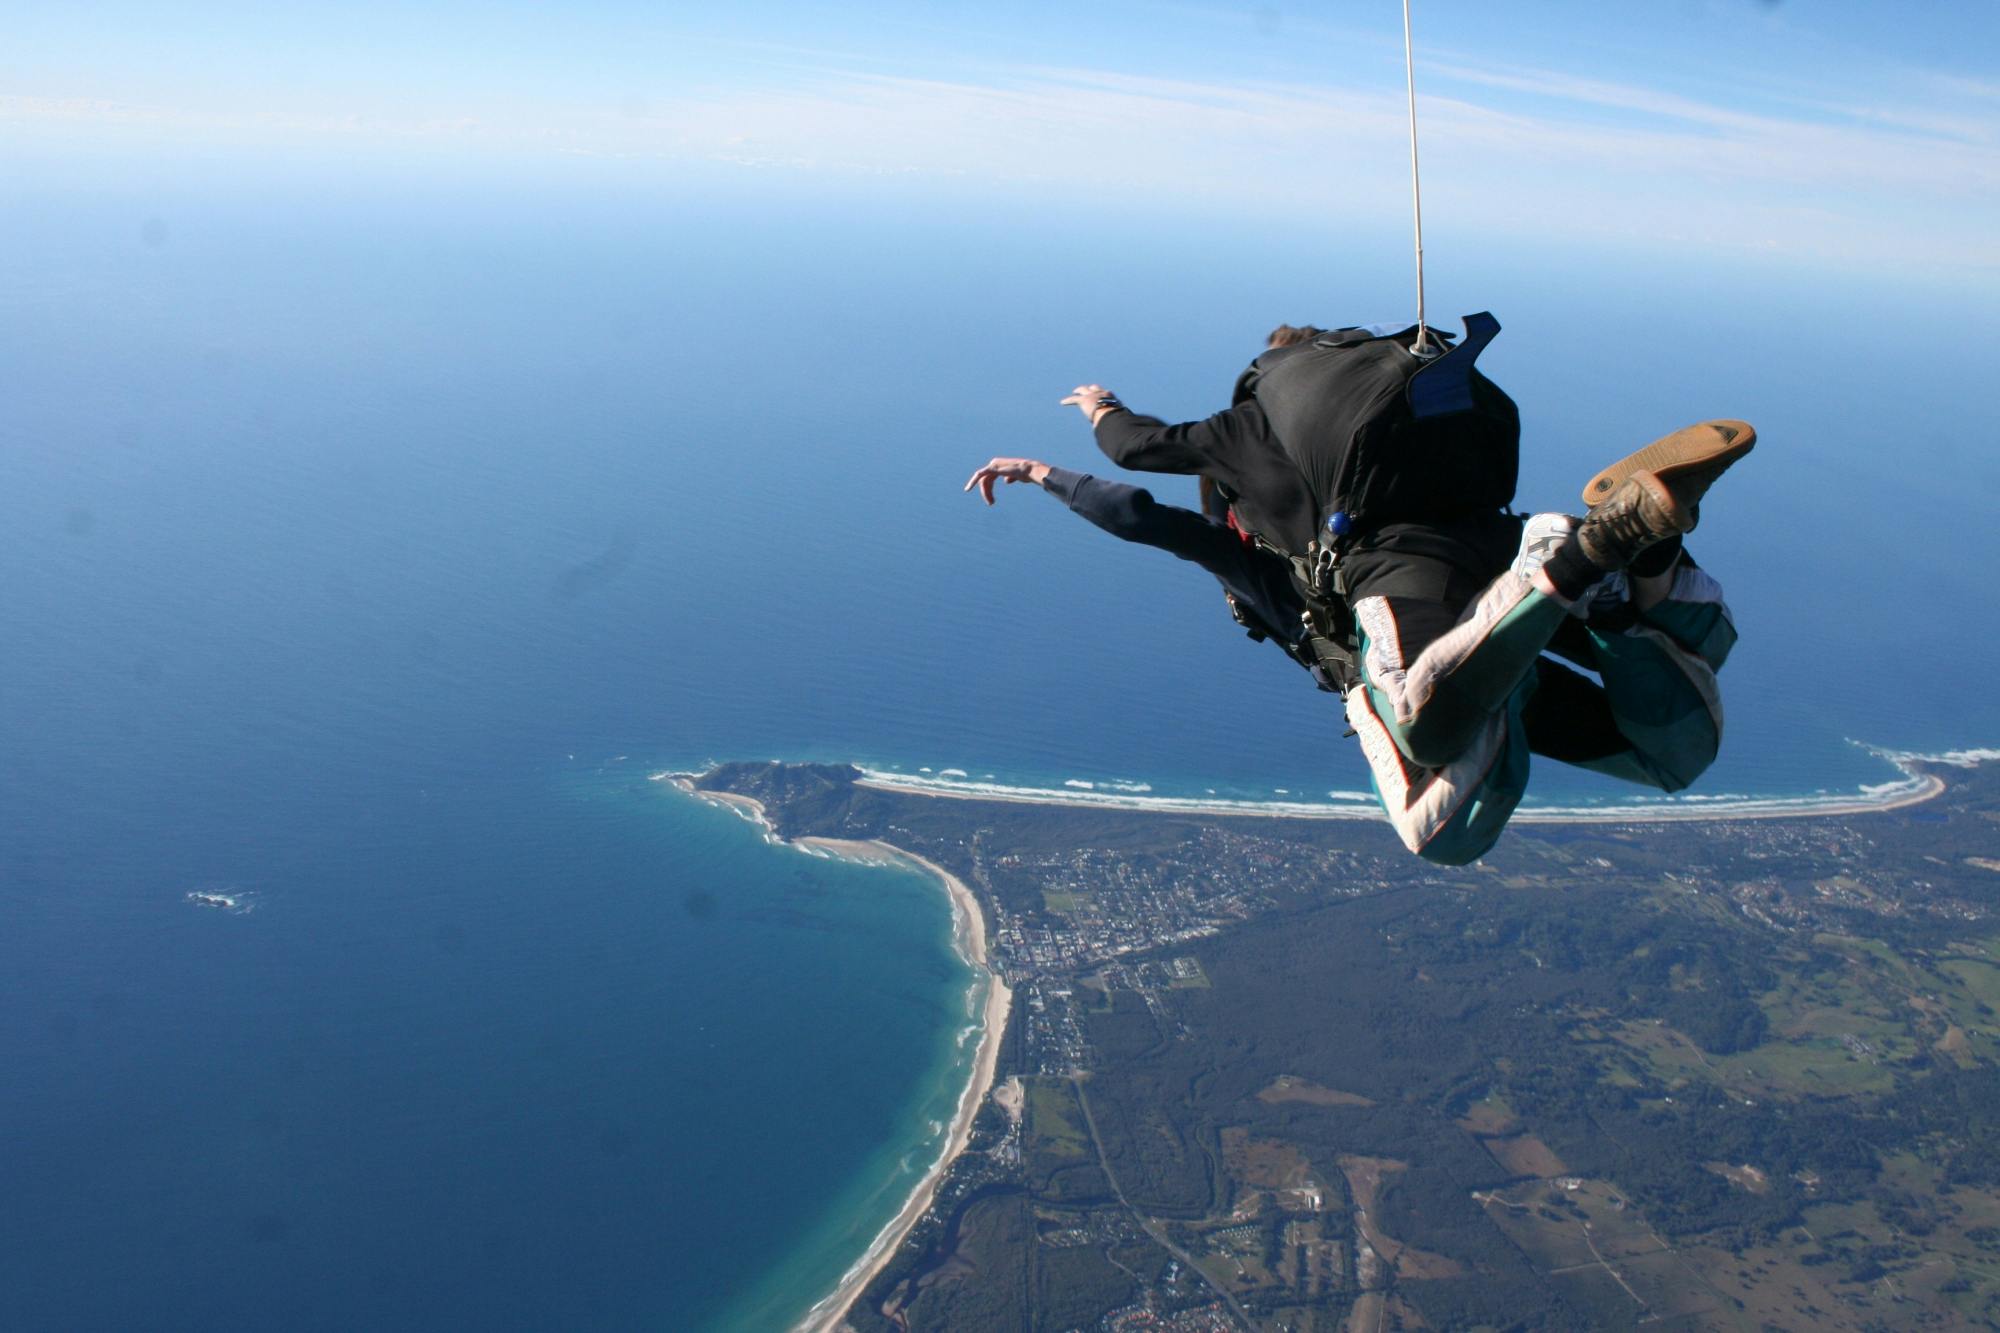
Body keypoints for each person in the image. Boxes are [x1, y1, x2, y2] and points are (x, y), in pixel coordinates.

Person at [965, 321, 1753, 865]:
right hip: (1495, 565)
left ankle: (1572, 563)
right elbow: (1144, 505)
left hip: (1424, 595)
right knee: (1672, 752)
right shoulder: (1370, 424)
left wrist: (1051, 466)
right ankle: (1640, 558)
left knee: (1435, 812)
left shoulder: (1255, 509)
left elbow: (1144, 511)